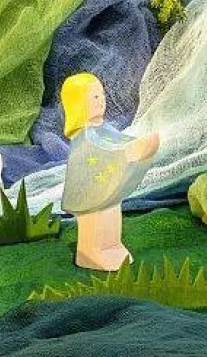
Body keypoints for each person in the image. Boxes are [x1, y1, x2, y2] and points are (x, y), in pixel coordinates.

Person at [59, 72, 160, 270]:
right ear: (78, 103)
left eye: (102, 95)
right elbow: (101, 150)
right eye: (95, 97)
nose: (101, 100)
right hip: (90, 191)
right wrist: (128, 152)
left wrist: (134, 145)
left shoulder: (103, 128)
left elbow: (117, 140)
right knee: (95, 219)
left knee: (112, 213)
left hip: (106, 188)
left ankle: (112, 245)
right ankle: (90, 251)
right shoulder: (84, 135)